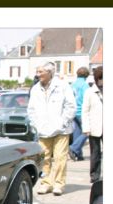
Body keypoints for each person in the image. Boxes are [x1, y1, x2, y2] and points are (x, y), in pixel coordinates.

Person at [28, 61, 76, 196]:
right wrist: (36, 124)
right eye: (37, 72)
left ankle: (59, 184)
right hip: (43, 129)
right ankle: (46, 183)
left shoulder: (63, 86)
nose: (38, 75)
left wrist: (63, 123)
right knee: (44, 159)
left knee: (60, 157)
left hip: (61, 130)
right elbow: (31, 109)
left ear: (49, 73)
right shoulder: (35, 89)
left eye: (40, 72)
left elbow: (70, 106)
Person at [82, 66, 103, 183]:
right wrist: (86, 127)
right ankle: (94, 175)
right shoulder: (89, 92)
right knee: (95, 153)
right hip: (95, 126)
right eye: (100, 78)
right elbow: (85, 111)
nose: (102, 81)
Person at [69, 67, 90, 161]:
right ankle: (73, 148)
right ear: (86, 75)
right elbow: (87, 99)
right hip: (82, 111)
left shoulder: (72, 85)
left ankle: (78, 154)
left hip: (74, 111)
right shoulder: (85, 85)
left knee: (77, 133)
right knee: (87, 131)